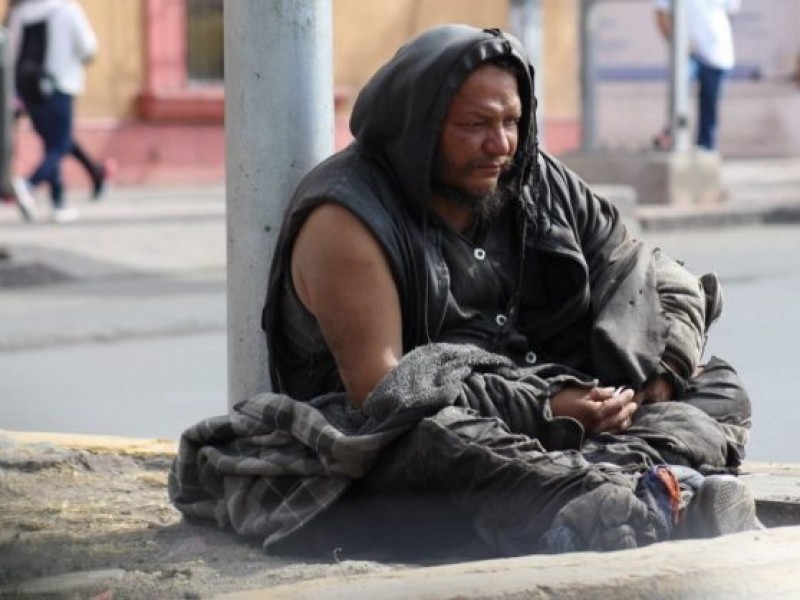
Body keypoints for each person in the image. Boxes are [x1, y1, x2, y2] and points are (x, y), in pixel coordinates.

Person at [170, 24, 756, 559]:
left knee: (715, 382)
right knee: (436, 441)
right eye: (475, 126)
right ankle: (637, 495)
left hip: (563, 408)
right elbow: (385, 391)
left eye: (512, 121)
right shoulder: (346, 218)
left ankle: (608, 497)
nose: (500, 144)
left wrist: (653, 376)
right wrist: (546, 409)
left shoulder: (532, 176)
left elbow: (644, 275)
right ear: (420, 130)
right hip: (411, 432)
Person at [6, 0, 109, 222]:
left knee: (54, 142)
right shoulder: (67, 9)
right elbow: (88, 47)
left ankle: (59, 201)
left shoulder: (20, 12)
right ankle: (28, 184)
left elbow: (12, 53)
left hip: (30, 89)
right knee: (59, 144)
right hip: (61, 84)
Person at [653, 0, 740, 151]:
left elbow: (731, 12)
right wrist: (678, 43)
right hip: (687, 51)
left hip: (717, 53)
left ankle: (705, 149)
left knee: (709, 106)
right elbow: (662, 15)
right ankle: (671, 133)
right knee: (680, 92)